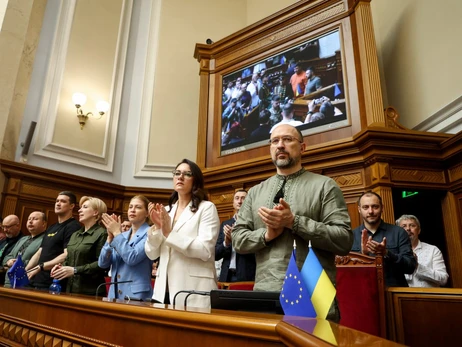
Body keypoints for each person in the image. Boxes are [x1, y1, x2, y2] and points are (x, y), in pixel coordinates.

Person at [233, 124, 352, 322]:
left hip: (314, 292)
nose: (280, 145)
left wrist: (294, 222)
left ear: (303, 147)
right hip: (266, 293)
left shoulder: (325, 186)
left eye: (287, 139)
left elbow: (344, 240)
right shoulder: (255, 192)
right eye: (275, 141)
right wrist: (267, 235)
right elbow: (237, 239)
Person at [145, 159, 220, 308]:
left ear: (195, 180)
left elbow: (205, 250)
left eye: (187, 174)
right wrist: (157, 228)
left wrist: (169, 232)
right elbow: (151, 254)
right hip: (162, 290)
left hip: (193, 289)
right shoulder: (166, 210)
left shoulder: (206, 208)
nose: (180, 177)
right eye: (177, 173)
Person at [351, 192, 417, 287]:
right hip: (363, 292)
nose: (370, 211)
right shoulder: (350, 236)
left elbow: (410, 267)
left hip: (393, 294)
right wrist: (363, 256)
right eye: (366, 207)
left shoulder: (399, 232)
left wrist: (386, 253)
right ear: (359, 209)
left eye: (375, 207)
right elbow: (344, 270)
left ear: (382, 208)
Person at [98, 195, 153, 300]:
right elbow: (102, 263)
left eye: (138, 207)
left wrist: (116, 233)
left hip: (137, 295)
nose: (132, 210)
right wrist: (109, 239)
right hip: (114, 293)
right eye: (130, 207)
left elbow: (132, 258)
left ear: (147, 213)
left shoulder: (150, 233)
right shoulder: (122, 235)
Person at [50, 196, 108, 296]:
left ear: (95, 212)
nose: (80, 210)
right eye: (81, 207)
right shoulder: (75, 234)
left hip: (91, 291)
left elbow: (102, 264)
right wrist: (61, 267)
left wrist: (75, 270)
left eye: (85, 207)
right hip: (70, 289)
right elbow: (69, 259)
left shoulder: (102, 233)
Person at [26, 192, 81, 290]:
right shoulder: (52, 227)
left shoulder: (73, 226)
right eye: (57, 201)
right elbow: (40, 252)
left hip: (54, 282)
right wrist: (25, 270)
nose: (58, 203)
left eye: (63, 201)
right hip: (37, 280)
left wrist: (42, 266)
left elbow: (67, 254)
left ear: (71, 206)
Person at [396, 214, 449, 287]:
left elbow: (443, 279)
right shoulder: (393, 252)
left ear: (419, 230)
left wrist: (417, 266)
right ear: (397, 232)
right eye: (404, 226)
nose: (408, 228)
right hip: (399, 297)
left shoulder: (433, 250)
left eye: (412, 225)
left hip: (427, 297)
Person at [215, 189, 255, 282]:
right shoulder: (225, 224)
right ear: (233, 203)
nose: (240, 201)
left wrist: (237, 238)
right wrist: (226, 242)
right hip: (226, 276)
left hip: (247, 276)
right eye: (237, 198)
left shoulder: (253, 223)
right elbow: (216, 254)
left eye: (243, 198)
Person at [3, 212, 46, 288]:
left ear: (44, 223)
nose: (30, 221)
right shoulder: (23, 239)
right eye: (29, 219)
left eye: (35, 219)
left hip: (27, 283)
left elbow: (41, 262)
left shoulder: (46, 240)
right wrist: (8, 261)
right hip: (8, 282)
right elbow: (7, 256)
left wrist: (19, 263)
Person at [0, 215, 24, 285]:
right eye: (3, 227)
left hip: (7, 280)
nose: (5, 230)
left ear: (17, 226)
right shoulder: (3, 241)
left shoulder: (23, 242)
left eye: (7, 227)